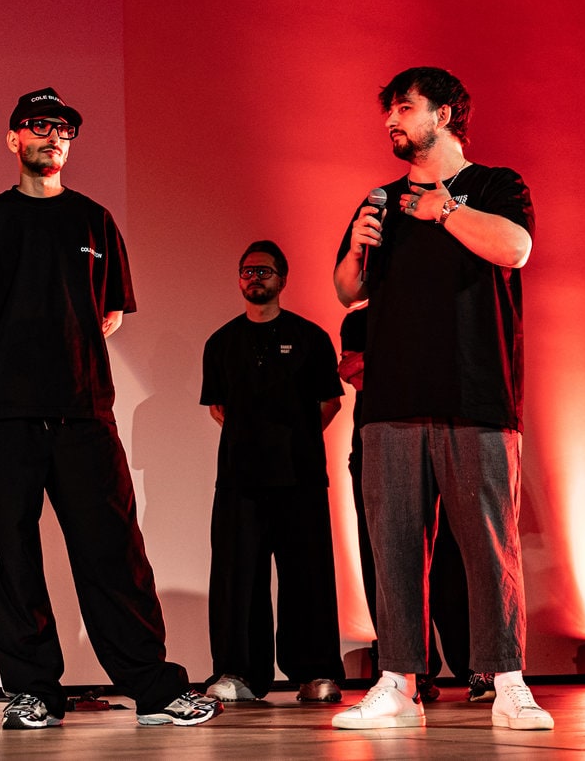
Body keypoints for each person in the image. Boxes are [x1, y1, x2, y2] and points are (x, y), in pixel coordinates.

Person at [0, 87, 221, 730]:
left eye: (64, 129)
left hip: (85, 409)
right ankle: (32, 691)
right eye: (38, 126)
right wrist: (23, 364)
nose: (53, 137)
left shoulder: (95, 221)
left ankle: (153, 689)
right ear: (14, 139)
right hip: (8, 415)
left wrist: (65, 356)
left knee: (114, 552)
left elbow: (112, 312)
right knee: (15, 555)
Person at [329, 66, 552, 733]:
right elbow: (347, 290)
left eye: (404, 107)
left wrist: (446, 210)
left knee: (489, 545)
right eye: (389, 110)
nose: (391, 120)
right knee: (393, 545)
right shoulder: (380, 200)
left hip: (476, 394)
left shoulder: (497, 185)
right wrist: (357, 250)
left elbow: (516, 249)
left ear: (445, 114)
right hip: (392, 399)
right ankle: (397, 682)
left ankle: (507, 682)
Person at [200, 241, 345, 706]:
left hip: (301, 477)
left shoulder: (311, 338)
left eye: (263, 271)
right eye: (246, 271)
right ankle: (238, 673)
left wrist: (293, 441)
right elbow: (218, 409)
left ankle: (315, 673)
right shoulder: (220, 342)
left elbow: (330, 402)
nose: (254, 278)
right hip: (239, 480)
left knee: (308, 576)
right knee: (237, 578)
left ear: (282, 278)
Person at [337, 309, 488, 704]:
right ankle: (411, 670)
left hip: (444, 438)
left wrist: (396, 360)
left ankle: (475, 667)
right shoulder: (360, 320)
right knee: (387, 561)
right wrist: (417, 359)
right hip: (378, 446)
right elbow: (357, 373)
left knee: (453, 559)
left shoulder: (441, 306)